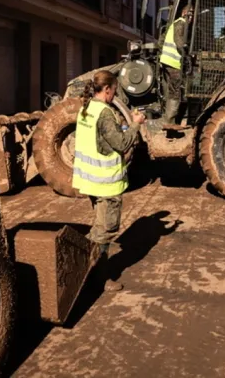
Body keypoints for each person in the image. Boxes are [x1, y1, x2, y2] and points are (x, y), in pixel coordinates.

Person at [72, 70, 146, 291]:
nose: (115, 94)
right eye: (114, 90)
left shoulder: (86, 109)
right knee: (104, 231)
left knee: (99, 226)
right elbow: (122, 144)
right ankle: (88, 271)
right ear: (106, 89)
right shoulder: (105, 113)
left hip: (91, 182)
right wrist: (135, 124)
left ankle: (95, 274)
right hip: (106, 183)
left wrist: (120, 128)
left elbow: (101, 139)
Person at [159, 4, 192, 125]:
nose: (191, 17)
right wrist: (187, 53)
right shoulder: (181, 23)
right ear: (184, 13)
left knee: (170, 91)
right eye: (190, 14)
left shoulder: (175, 23)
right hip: (173, 63)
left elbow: (161, 41)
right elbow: (179, 43)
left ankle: (168, 119)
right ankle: (170, 122)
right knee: (175, 91)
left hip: (167, 62)